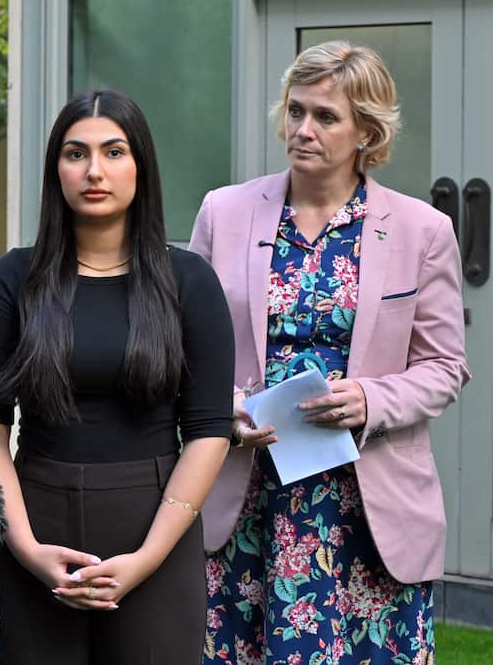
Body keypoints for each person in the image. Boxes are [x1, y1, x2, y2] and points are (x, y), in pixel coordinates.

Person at [194, 41, 470, 664]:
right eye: (295, 111)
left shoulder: (422, 230)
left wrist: (370, 398)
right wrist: (227, 409)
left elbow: (445, 368)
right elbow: (188, 352)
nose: (303, 130)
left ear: (366, 133)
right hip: (246, 499)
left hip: (365, 511)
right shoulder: (224, 211)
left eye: (325, 116)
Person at [0, 89, 235, 664]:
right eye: (75, 153)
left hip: (156, 521)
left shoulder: (188, 281)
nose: (94, 170)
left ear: (142, 166)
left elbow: (210, 431)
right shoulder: (14, 279)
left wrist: (147, 557)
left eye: (114, 152)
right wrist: (28, 549)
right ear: (55, 169)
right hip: (37, 518)